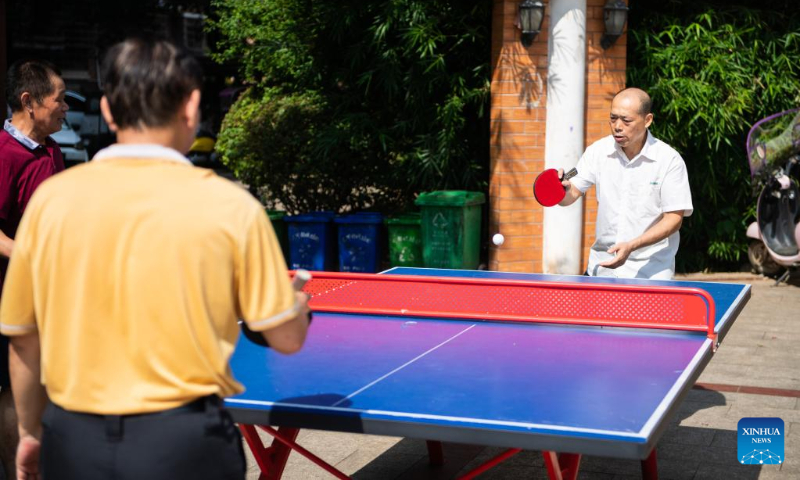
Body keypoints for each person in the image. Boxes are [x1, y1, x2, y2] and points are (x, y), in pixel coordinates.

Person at [0, 38, 310, 480]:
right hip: (186, 444)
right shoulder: (232, 206)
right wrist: (296, 310)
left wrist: (31, 433)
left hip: (74, 439)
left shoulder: (51, 201)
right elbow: (285, 338)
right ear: (192, 107)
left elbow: (24, 340)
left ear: (108, 111)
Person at [0, 59, 67, 480]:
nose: (66, 107)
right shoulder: (4, 155)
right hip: (9, 299)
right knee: (13, 393)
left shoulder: (53, 151)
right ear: (29, 101)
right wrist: (25, 253)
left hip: (48, 299)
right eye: (59, 98)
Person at [558, 88, 693, 280]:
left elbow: (674, 219)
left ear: (647, 120)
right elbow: (570, 194)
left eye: (626, 120)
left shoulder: (669, 160)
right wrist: (559, 190)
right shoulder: (597, 151)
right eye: (613, 118)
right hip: (601, 270)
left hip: (650, 274)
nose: (617, 126)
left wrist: (632, 245)